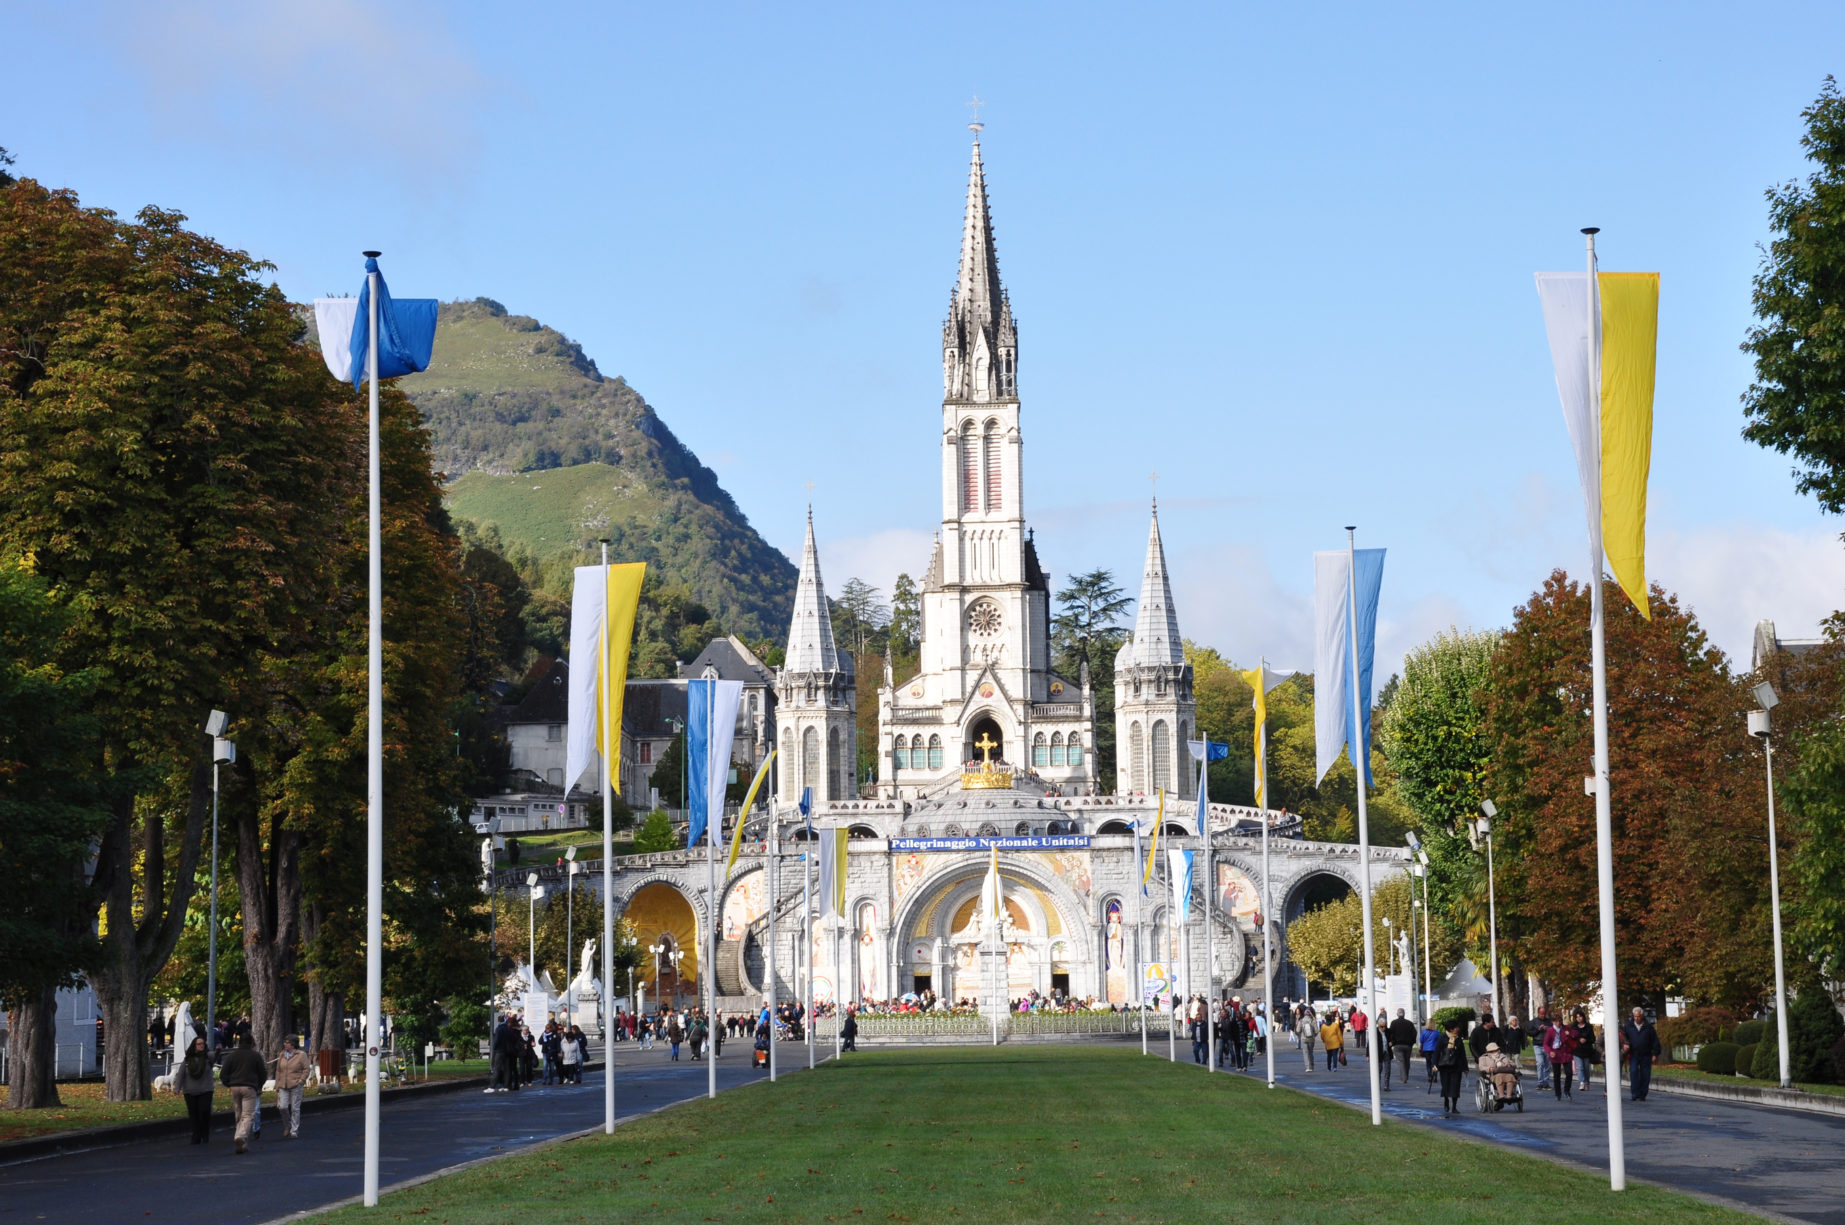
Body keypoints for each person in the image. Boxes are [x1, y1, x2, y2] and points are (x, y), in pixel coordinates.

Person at [219, 1034, 267, 1155]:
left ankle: (242, 1141)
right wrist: (258, 1085)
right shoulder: (255, 1056)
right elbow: (263, 1073)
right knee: (248, 1115)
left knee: (238, 1113)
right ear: (251, 1043)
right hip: (249, 1086)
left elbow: (223, 1073)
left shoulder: (232, 1056)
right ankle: (241, 1136)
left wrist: (229, 1083)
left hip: (235, 1086)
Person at [176, 1036, 217, 1146]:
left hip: (205, 1089)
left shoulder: (208, 1057)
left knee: (204, 1111)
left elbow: (214, 1056)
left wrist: (218, 1050)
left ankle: (205, 1133)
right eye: (199, 1044)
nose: (201, 1045)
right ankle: (196, 1135)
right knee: (193, 1114)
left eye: (203, 1043)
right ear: (194, 1046)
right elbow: (180, 1074)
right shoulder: (187, 1060)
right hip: (190, 1091)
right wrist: (177, 1088)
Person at [1620, 1007, 1662, 1101]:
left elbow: (1655, 1041)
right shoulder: (1628, 1026)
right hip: (1633, 1053)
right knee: (1634, 1072)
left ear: (1642, 1016)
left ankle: (1643, 1094)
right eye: (1635, 1016)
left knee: (1645, 1074)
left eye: (1638, 1016)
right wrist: (1625, 1046)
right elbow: (1624, 1038)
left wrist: (1655, 1053)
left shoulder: (1649, 1027)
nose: (1636, 1018)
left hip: (1646, 1054)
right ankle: (1635, 1094)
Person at [273, 1036, 309, 1139]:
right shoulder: (282, 1055)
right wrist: (277, 1085)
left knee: (295, 1108)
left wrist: (301, 1081)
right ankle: (287, 1125)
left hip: (296, 1085)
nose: (285, 1044)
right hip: (283, 1085)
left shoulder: (301, 1055)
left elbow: (306, 1069)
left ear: (293, 1044)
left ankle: (294, 1130)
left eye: (287, 1042)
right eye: (285, 1042)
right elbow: (278, 1070)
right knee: (282, 1107)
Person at [1434, 1018, 1469, 1114]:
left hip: (1456, 1066)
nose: (1458, 1029)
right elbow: (1436, 1052)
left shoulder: (1458, 1038)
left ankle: (1454, 1106)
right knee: (1445, 1085)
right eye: (1456, 1027)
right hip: (1444, 1066)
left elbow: (1462, 1053)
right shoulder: (1442, 1038)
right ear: (1451, 1029)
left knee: (1455, 1086)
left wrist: (1465, 1067)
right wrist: (1435, 1065)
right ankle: (1446, 1101)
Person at [1540, 1013, 1578, 1100]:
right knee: (1557, 1075)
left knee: (1569, 1072)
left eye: (1560, 1021)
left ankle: (1567, 1090)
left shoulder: (1566, 1028)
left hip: (1565, 1052)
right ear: (1553, 1022)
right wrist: (1550, 1052)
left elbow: (1576, 1034)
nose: (1558, 1023)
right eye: (1556, 1021)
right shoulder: (1550, 1030)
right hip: (1555, 1053)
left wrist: (1570, 1033)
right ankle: (1558, 1093)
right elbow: (1545, 1044)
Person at [1387, 1009, 1417, 1091]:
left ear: (1397, 1014)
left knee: (1401, 1061)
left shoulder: (1394, 1023)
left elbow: (1391, 1033)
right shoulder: (1409, 1023)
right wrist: (1412, 1042)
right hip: (1408, 1045)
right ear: (1404, 1014)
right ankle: (1406, 1075)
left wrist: (1392, 1042)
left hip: (1398, 1045)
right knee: (1407, 1061)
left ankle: (1404, 1078)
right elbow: (1414, 1033)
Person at [1570, 1008, 1598, 1094]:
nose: (1579, 1018)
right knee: (1580, 1067)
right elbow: (1571, 1038)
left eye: (1580, 1017)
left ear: (1583, 1017)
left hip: (1587, 1050)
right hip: (1577, 1050)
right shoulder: (1573, 1027)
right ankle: (1581, 1082)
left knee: (1586, 1068)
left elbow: (1593, 1039)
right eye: (1577, 1017)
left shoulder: (1589, 1027)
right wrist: (1578, 1040)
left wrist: (1586, 1040)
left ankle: (1586, 1082)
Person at [1419, 1016, 1440, 1088]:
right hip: (1434, 1049)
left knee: (1428, 1063)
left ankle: (1429, 1076)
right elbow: (1439, 1040)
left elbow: (1421, 1040)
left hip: (1426, 1049)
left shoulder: (1424, 1032)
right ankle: (1435, 1076)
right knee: (1434, 1064)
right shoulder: (1436, 1032)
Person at [1297, 1007, 1318, 1072]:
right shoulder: (1313, 1021)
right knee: (1311, 1052)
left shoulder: (1301, 1021)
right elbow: (1316, 1031)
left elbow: (1298, 1030)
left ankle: (1308, 1067)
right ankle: (1312, 1066)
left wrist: (1301, 1035)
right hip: (1311, 1039)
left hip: (1304, 1039)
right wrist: (1313, 1036)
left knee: (1305, 1053)